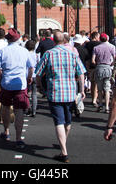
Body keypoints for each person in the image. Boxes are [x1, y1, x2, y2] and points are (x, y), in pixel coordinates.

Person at [36, 31, 86, 163]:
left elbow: (38, 73)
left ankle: (64, 152)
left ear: (53, 41)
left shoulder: (49, 54)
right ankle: (63, 144)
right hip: (70, 92)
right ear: (65, 40)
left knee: (59, 121)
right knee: (68, 121)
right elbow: (81, 74)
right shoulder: (72, 54)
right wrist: (81, 90)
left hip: (55, 92)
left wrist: (40, 87)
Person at [0, 28, 35, 150]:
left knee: (6, 107)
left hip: (6, 83)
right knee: (19, 111)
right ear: (18, 39)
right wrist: (28, 78)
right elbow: (31, 67)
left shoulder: (3, 51)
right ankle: (18, 138)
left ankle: (6, 132)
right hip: (20, 84)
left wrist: (2, 77)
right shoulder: (24, 51)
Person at [92, 32, 116, 113]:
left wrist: (97, 64)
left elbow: (93, 60)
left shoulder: (96, 48)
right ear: (107, 39)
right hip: (108, 67)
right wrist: (111, 64)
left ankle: (100, 105)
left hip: (99, 67)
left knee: (99, 88)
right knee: (107, 88)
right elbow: (115, 58)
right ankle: (107, 107)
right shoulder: (112, 47)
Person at [85, 31, 101, 106]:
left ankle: (93, 98)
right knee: (97, 83)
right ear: (96, 37)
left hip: (90, 65)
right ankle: (95, 99)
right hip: (97, 64)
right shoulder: (99, 44)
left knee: (92, 83)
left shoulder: (87, 44)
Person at [24, 39, 39, 117]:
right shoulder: (36, 55)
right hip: (34, 75)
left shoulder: (25, 54)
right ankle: (34, 110)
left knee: (26, 93)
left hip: (27, 74)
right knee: (34, 93)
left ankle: (27, 108)